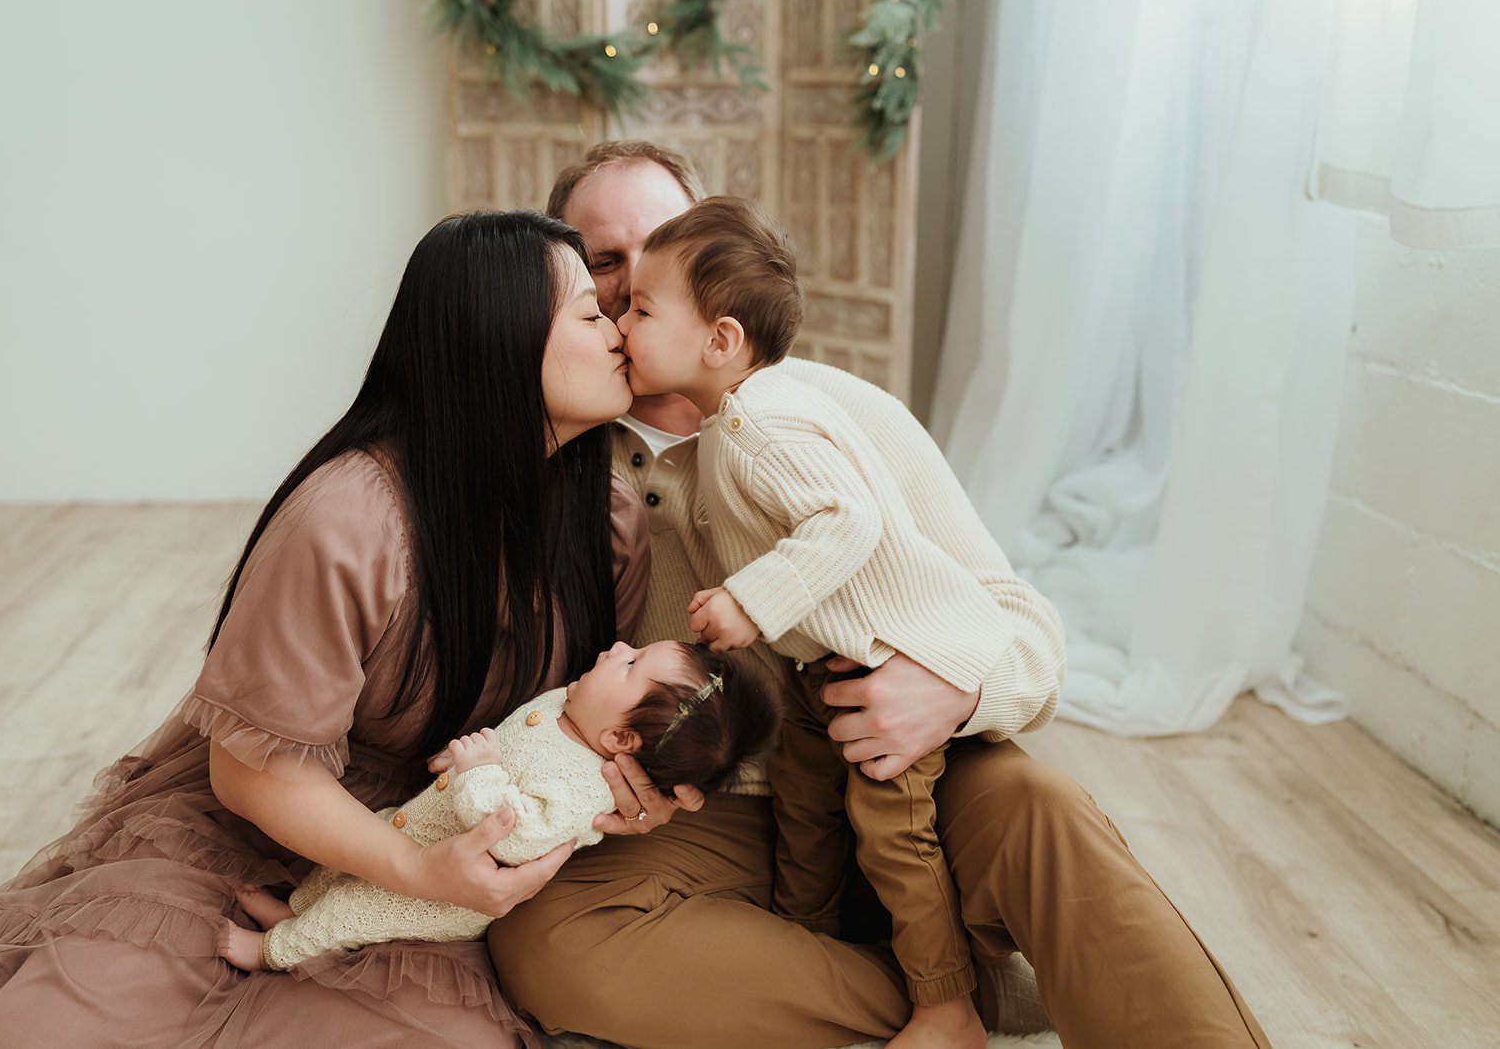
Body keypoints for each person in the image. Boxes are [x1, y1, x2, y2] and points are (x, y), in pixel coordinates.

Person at [488, 141, 1274, 1049]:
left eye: (657, 248)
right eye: (603, 264)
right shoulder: (556, 456)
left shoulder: (835, 416)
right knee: (541, 937)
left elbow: (1027, 631)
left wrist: (954, 686)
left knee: (1043, 814)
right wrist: (599, 765)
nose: (630, 289)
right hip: (720, 813)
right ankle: (949, 998)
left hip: (909, 772)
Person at [0, 210, 653, 1049]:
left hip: (443, 851)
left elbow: (586, 716)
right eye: (591, 313)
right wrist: (412, 867)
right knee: (33, 1030)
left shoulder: (610, 518)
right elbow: (259, 777)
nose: (622, 330)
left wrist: (619, 794)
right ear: (497, 340)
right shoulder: (348, 519)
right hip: (283, 825)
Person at [623, 192, 1065, 1048]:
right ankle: (812, 940)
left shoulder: (761, 424)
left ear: (719, 341)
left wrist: (754, 599)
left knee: (892, 832)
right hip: (818, 669)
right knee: (802, 796)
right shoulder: (743, 415)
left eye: (642, 307)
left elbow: (847, 520)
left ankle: (948, 1007)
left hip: (888, 661)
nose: (623, 322)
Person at [217, 640, 773, 972]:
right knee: (345, 864)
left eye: (630, 665)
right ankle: (295, 911)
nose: (615, 649)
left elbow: (513, 835)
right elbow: (514, 737)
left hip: (452, 891)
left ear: (622, 743)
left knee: (354, 909)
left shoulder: (584, 788)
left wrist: (477, 772)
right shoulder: (576, 708)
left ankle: (274, 950)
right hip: (420, 829)